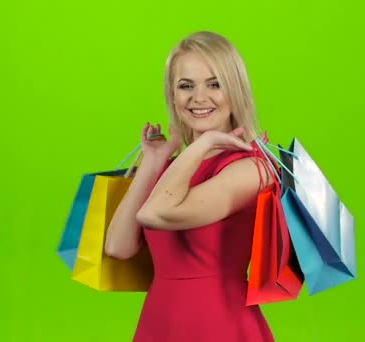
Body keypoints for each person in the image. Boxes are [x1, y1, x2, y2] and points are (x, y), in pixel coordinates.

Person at [104, 31, 275, 342]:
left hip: (220, 324)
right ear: (172, 94)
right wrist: (154, 162)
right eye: (186, 86)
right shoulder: (171, 172)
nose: (199, 98)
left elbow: (156, 214)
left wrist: (204, 142)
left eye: (215, 84)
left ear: (235, 90)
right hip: (159, 322)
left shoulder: (252, 169)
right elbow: (118, 247)